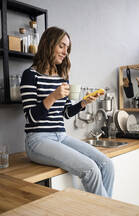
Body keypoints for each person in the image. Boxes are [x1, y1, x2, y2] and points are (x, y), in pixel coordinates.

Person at [20, 26, 114, 198]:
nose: (65, 52)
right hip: (37, 140)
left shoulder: (62, 76)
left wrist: (83, 103)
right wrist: (53, 96)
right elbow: (31, 117)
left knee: (106, 164)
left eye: (67, 48)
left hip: (60, 136)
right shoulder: (30, 75)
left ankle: (103, 212)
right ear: (49, 44)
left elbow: (64, 114)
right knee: (90, 169)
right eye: (61, 46)